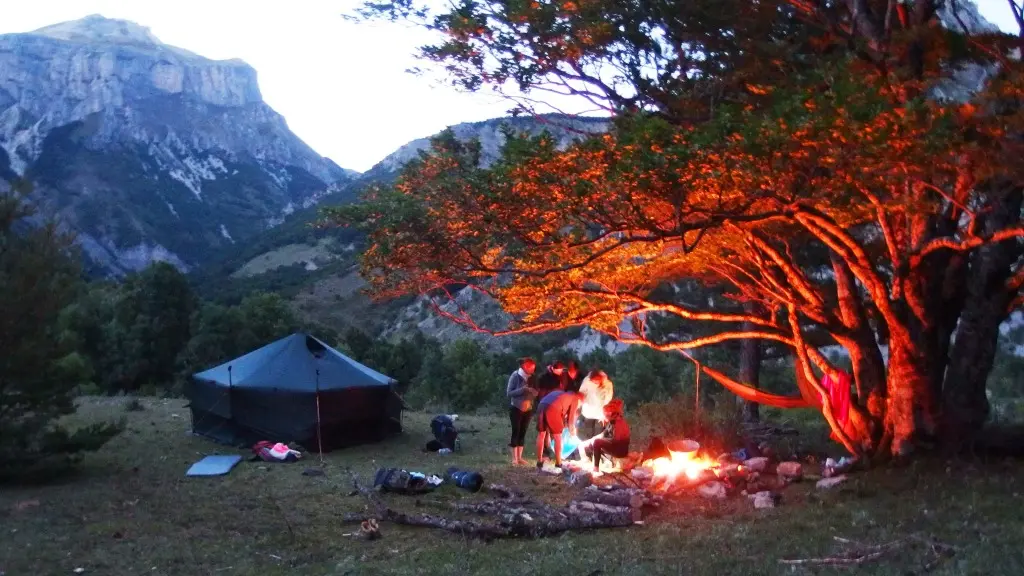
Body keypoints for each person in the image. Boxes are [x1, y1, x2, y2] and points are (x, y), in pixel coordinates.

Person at [535, 389, 584, 470]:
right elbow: (571, 421)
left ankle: (539, 461)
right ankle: (558, 463)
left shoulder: (562, 394)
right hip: (553, 408)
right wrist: (573, 433)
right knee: (558, 437)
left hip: (541, 405)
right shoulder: (575, 398)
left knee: (541, 434)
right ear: (581, 400)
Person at [506, 358, 538, 466]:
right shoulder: (515, 376)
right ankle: (514, 458)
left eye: (534, 368)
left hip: (528, 408)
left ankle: (520, 458)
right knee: (516, 431)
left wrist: (534, 392)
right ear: (524, 366)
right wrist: (522, 390)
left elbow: (535, 391)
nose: (533, 370)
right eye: (531, 368)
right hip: (516, 407)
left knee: (523, 432)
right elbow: (509, 393)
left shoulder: (532, 378)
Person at [587, 398, 630, 474]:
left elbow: (616, 441)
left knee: (597, 442)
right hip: (614, 445)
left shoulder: (619, 423)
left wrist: (601, 440)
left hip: (620, 449)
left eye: (607, 415)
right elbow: (604, 433)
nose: (606, 417)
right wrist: (594, 439)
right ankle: (603, 462)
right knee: (592, 443)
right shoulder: (612, 422)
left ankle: (596, 468)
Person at [578, 369, 614, 440]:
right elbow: (581, 393)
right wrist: (579, 405)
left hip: (600, 415)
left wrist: (605, 414)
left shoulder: (607, 385)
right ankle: (588, 445)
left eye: (596, 381)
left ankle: (596, 446)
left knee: (598, 433)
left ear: (600, 379)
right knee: (588, 431)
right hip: (587, 412)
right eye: (592, 381)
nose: (594, 382)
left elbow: (607, 400)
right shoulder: (587, 380)